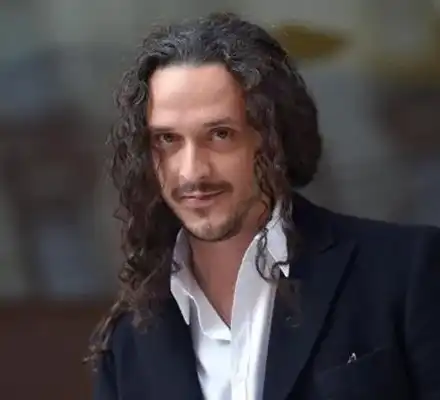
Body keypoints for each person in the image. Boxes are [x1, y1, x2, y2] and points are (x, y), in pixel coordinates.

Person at [87, 12, 440, 400]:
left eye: (220, 134)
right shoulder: (128, 344)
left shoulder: (407, 271)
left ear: (275, 136)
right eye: (167, 140)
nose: (191, 171)